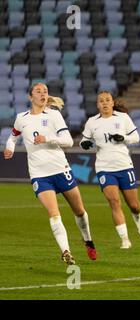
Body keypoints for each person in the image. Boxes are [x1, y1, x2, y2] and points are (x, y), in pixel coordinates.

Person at [3, 83, 97, 265]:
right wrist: (10, 148)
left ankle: (88, 240)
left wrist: (48, 138)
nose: (43, 93)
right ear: (31, 97)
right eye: (38, 91)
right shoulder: (21, 118)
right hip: (39, 175)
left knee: (79, 211)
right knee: (54, 214)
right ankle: (66, 251)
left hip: (61, 170)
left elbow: (69, 141)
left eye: (45, 91)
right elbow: (12, 137)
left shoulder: (54, 115)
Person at [80, 91, 140, 249]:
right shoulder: (92, 122)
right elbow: (84, 140)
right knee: (114, 202)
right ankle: (124, 239)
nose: (104, 103)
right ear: (98, 105)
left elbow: (136, 137)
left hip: (124, 166)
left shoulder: (123, 118)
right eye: (101, 101)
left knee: (134, 205)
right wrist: (84, 144)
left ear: (112, 103)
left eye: (107, 100)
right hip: (104, 168)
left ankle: (138, 219)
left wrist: (123, 138)